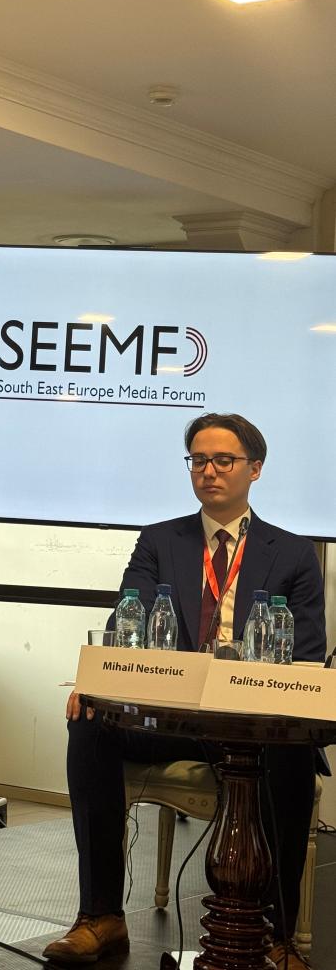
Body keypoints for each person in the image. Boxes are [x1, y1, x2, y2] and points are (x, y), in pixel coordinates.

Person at [44, 413, 325, 969]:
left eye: (224, 460)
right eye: (199, 460)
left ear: (255, 469)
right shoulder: (159, 541)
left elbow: (307, 655)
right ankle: (100, 915)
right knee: (90, 724)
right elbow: (128, 621)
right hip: (174, 721)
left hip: (252, 725)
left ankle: (276, 934)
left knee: (290, 755)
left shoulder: (293, 553)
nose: (209, 471)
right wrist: (96, 684)